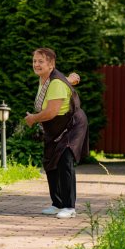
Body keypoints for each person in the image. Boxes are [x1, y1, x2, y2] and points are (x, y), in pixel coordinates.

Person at [24, 48, 89, 219]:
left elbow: (51, 112)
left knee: (64, 160)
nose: (36, 64)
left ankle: (69, 206)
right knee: (50, 161)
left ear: (51, 65)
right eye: (34, 61)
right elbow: (63, 84)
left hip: (71, 125)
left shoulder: (56, 83)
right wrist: (71, 79)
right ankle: (57, 203)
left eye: (41, 61)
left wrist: (33, 119)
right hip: (55, 127)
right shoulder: (46, 79)